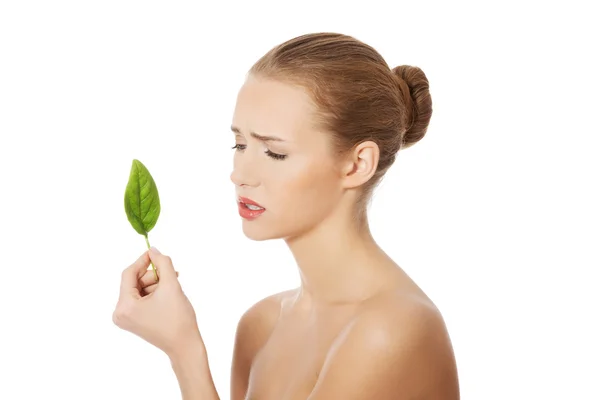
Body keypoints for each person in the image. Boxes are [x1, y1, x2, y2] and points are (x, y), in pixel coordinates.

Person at [113, 32, 460, 400]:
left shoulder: (393, 330)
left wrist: (184, 351)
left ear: (358, 164)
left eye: (274, 152)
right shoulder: (261, 325)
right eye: (240, 144)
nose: (240, 174)